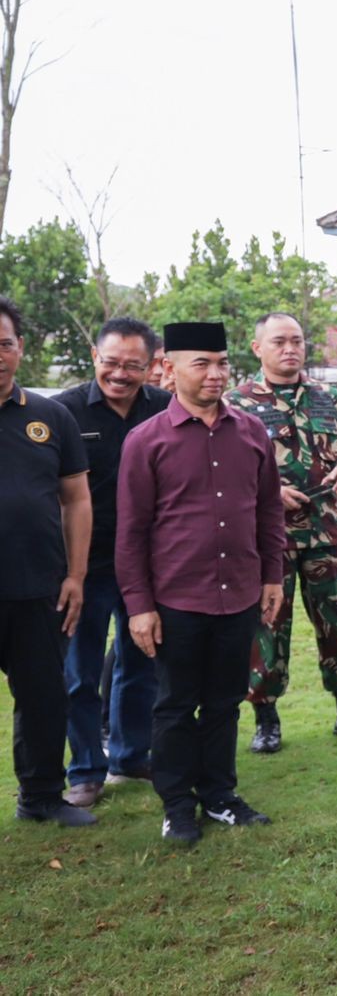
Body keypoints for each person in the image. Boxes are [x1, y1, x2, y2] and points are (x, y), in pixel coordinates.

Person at [118, 322, 287, 845]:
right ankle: (177, 803)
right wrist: (139, 606)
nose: (216, 374)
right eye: (202, 364)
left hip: (238, 594)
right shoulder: (146, 441)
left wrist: (272, 575)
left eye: (222, 363)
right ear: (169, 368)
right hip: (176, 601)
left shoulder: (251, 432)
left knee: (224, 701)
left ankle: (218, 795)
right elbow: (131, 532)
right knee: (174, 704)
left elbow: (267, 510)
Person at [227, 312, 337, 752]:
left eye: (296, 341)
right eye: (279, 341)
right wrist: (269, 491)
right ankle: (266, 720)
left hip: (325, 533)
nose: (289, 348)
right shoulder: (237, 405)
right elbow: (227, 472)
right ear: (258, 348)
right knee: (268, 626)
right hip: (268, 538)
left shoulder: (328, 397)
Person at [55, 316, 171, 807]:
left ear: (151, 366)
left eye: (133, 365)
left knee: (141, 663)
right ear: (94, 359)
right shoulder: (62, 413)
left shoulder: (166, 409)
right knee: (80, 671)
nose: (120, 374)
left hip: (149, 563)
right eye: (111, 363)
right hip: (85, 564)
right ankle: (85, 769)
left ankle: (130, 752)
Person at [0, 296, 95, 828]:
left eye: (4, 343)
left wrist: (76, 575)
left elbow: (76, 499)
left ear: (20, 348)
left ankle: (40, 797)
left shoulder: (49, 416)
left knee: (43, 698)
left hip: (38, 587)